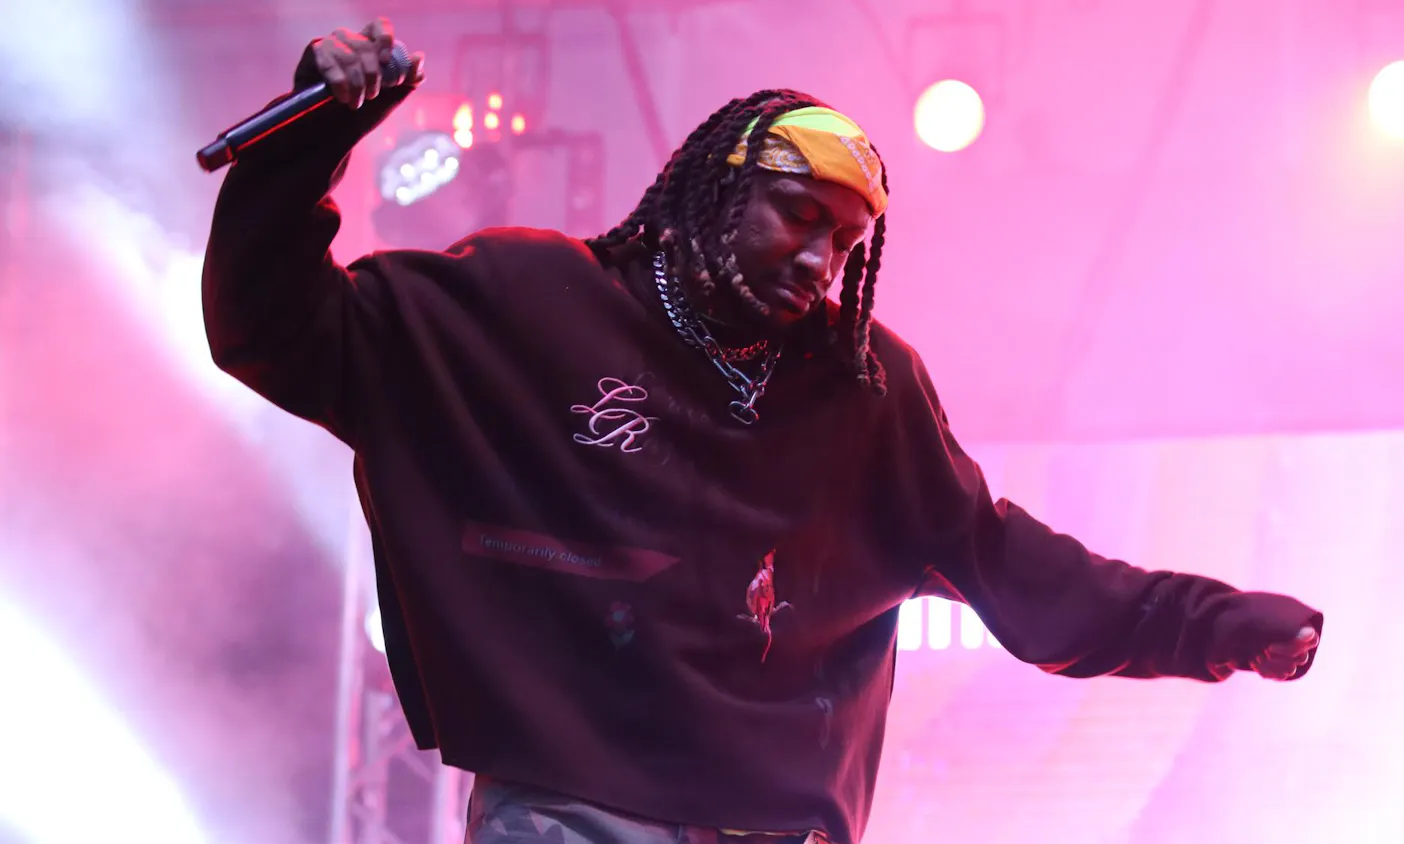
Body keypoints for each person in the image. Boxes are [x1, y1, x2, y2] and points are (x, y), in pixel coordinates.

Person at [202, 17, 1324, 844]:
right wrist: (307, 146)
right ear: (719, 185)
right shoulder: (529, 304)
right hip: (572, 814)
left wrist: (1213, 624)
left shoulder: (862, 389)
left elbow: (1016, 571)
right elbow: (275, 329)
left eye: (846, 243)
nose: (820, 261)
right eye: (801, 215)